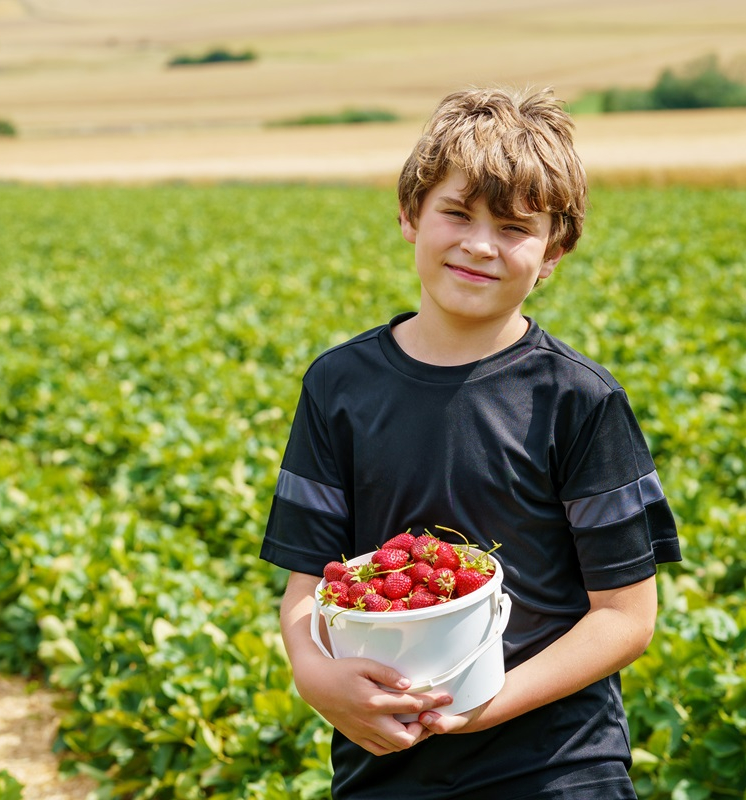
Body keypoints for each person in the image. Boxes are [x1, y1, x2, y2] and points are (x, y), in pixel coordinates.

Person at [260, 85, 682, 799]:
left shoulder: (577, 399)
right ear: (409, 215)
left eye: (515, 228)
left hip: (558, 765)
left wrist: (479, 706)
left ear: (554, 250)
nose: (480, 245)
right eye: (455, 213)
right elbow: (309, 586)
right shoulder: (339, 386)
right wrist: (316, 674)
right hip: (385, 759)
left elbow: (625, 618)